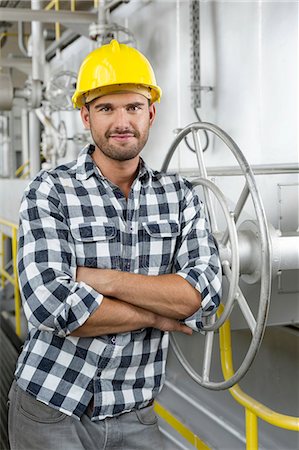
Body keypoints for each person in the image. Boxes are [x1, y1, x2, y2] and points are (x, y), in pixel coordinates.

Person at [8, 39, 222, 450]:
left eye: (133, 107)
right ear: (85, 116)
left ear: (151, 113)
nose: (122, 121)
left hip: (135, 414)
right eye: (106, 108)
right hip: (50, 407)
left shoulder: (181, 197)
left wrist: (101, 280)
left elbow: (200, 295)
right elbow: (49, 304)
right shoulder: (51, 190)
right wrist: (158, 316)